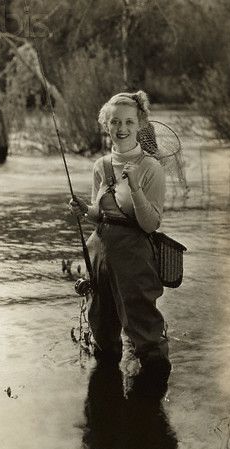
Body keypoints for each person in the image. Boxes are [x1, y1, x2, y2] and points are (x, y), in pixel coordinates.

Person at [69, 90, 170, 391]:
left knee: (142, 324)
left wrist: (136, 186)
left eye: (128, 121)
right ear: (106, 125)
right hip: (100, 249)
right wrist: (83, 211)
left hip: (135, 254)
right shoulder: (100, 166)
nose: (121, 128)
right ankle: (106, 408)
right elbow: (100, 213)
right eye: (115, 122)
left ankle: (151, 408)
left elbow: (150, 224)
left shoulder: (152, 168)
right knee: (101, 323)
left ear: (140, 125)